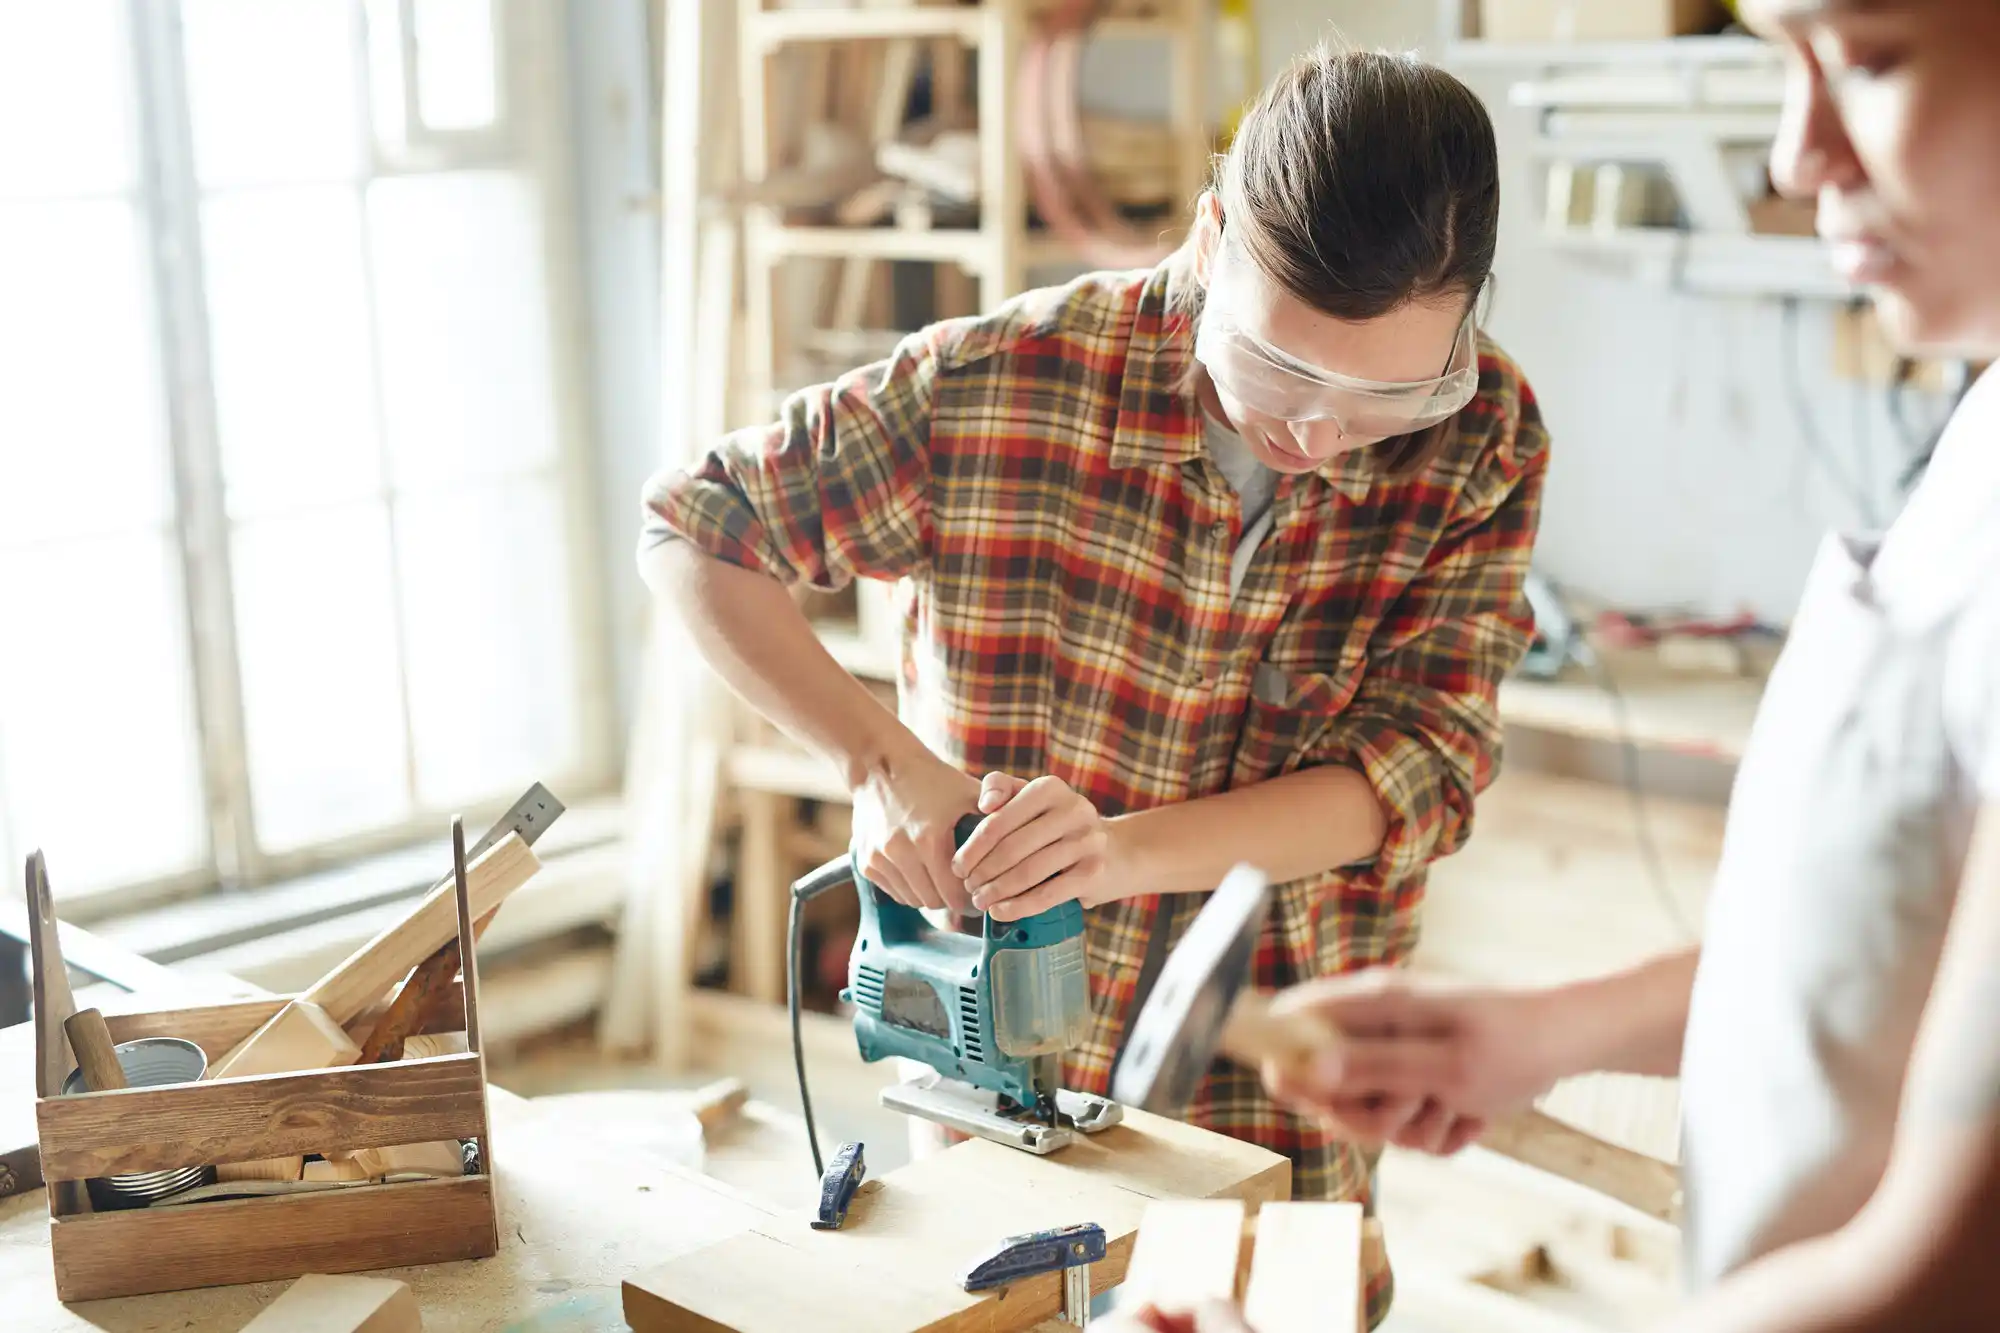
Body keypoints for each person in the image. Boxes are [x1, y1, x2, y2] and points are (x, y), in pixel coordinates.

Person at [639, 42, 1550, 1328]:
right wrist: (879, 762)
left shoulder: (1484, 441)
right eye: (1282, 370)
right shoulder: (1001, 383)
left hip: (1279, 1053)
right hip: (1001, 1047)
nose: (1315, 434)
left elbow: (1414, 773)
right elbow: (696, 528)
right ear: (1211, 235)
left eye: (1384, 395)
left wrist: (1112, 854)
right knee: (998, 1306)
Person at [1123, 2, 2000, 1330]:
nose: (1792, 153)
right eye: (1782, 65)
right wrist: (1540, 1034)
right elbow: (1895, 958)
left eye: (1867, 57)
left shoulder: (1487, 449)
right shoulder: (1980, 438)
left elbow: (1945, 1275)